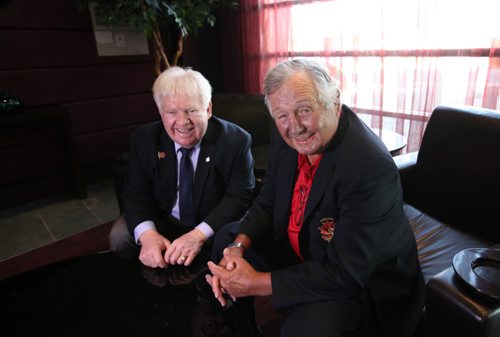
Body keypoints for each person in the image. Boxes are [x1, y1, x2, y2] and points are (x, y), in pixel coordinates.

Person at [206, 59, 425, 337]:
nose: (295, 126)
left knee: (305, 330)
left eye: (305, 110)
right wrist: (238, 246)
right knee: (226, 240)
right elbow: (268, 199)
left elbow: (346, 274)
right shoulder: (285, 130)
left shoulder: (368, 167)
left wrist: (256, 283)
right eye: (282, 115)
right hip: (307, 252)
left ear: (334, 102)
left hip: (363, 282)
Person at [109, 66, 255, 270]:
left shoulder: (235, 140)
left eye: (192, 110)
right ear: (161, 113)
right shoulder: (144, 140)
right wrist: (148, 235)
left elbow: (239, 197)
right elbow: (136, 194)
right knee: (119, 236)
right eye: (171, 112)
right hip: (163, 219)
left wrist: (198, 235)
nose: (182, 122)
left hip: (212, 223)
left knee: (233, 245)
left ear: (208, 109)